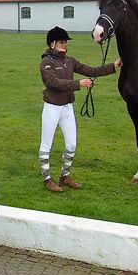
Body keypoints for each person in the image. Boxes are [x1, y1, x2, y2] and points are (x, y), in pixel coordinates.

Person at [39, 26, 121, 192]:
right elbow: (53, 83)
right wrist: (79, 84)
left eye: (66, 42)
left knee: (71, 145)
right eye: (62, 42)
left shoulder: (70, 61)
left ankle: (64, 176)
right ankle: (47, 179)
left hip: (67, 108)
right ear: (52, 43)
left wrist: (113, 65)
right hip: (52, 107)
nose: (65, 45)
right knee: (46, 145)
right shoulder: (46, 63)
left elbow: (91, 70)